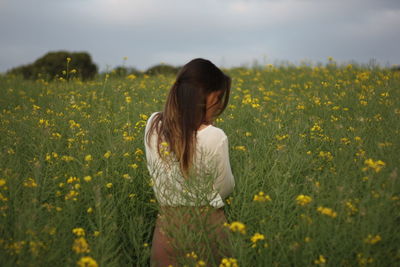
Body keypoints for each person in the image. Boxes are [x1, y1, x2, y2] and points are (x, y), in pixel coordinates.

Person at [144, 58, 235, 267]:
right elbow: (224, 188)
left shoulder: (153, 124)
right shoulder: (214, 136)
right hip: (207, 230)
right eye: (219, 97)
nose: (220, 104)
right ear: (205, 95)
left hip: (166, 232)